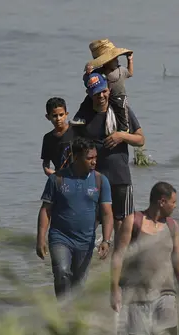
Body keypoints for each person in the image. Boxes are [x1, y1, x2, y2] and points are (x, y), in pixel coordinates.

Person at [110, 181, 179, 335]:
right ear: (162, 202)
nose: (175, 206)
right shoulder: (133, 221)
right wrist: (114, 290)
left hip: (166, 295)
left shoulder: (172, 226)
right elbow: (118, 256)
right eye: (173, 202)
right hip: (137, 295)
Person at [37, 137, 114, 297]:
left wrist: (106, 240)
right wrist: (40, 238)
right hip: (60, 238)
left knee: (78, 286)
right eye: (89, 158)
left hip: (86, 241)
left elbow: (107, 213)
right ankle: (62, 311)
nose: (94, 162)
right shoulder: (57, 179)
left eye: (95, 158)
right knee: (62, 272)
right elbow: (46, 210)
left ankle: (72, 316)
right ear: (76, 157)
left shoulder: (100, 181)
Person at [72, 72, 145, 241]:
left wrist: (122, 136)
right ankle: (90, 260)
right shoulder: (84, 116)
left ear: (109, 90)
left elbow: (140, 140)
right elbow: (73, 146)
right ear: (89, 95)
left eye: (104, 91)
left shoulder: (121, 111)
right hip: (93, 179)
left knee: (122, 223)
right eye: (97, 93)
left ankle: (117, 262)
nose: (102, 96)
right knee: (89, 221)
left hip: (120, 177)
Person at [78, 39, 134, 132]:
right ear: (106, 61)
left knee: (121, 109)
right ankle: (80, 117)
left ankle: (124, 127)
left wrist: (130, 61)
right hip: (103, 95)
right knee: (87, 101)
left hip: (118, 95)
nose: (116, 60)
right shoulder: (98, 72)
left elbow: (130, 73)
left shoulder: (121, 70)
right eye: (114, 59)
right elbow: (88, 81)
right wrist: (88, 74)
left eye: (117, 58)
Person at [41, 97, 75, 176]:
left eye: (61, 115)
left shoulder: (75, 131)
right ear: (48, 117)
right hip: (59, 177)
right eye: (54, 116)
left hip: (77, 176)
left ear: (66, 114)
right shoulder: (48, 138)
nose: (58, 119)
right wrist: (48, 171)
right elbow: (46, 162)